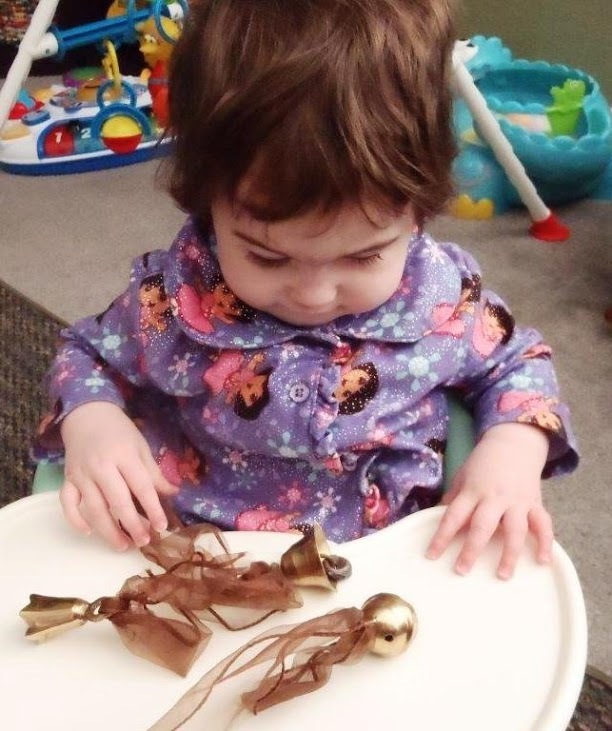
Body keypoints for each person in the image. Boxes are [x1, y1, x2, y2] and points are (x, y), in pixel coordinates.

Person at [35, 0, 578, 581]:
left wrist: (515, 450)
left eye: (365, 254)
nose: (315, 295)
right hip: (196, 563)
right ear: (207, 202)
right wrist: (94, 423)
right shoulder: (173, 299)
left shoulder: (439, 295)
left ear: (417, 210)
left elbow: (518, 362)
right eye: (267, 256)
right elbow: (86, 353)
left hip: (390, 566)